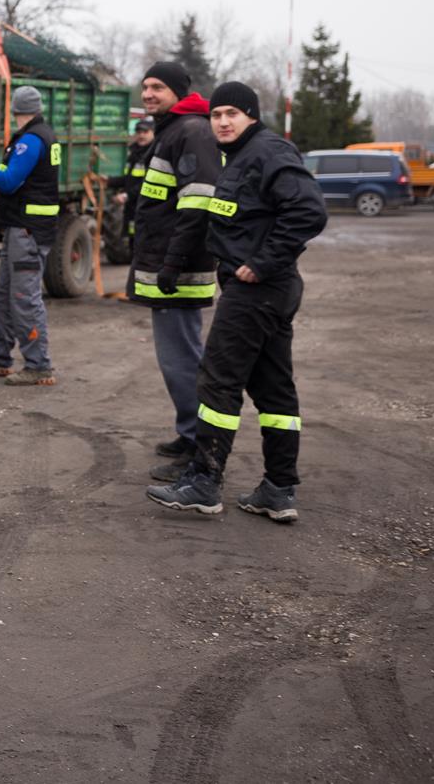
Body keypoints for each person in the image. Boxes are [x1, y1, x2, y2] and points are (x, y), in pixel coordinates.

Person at [146, 81, 328, 520]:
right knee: (272, 388)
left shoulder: (269, 152)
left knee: (218, 382)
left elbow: (309, 211)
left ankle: (204, 482)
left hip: (258, 290)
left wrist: (261, 263)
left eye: (232, 113)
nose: (223, 122)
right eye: (216, 114)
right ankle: (279, 489)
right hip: (265, 290)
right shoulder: (239, 156)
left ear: (252, 115)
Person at [126, 61, 220, 477]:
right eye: (146, 86)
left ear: (178, 92)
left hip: (177, 272)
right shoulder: (174, 129)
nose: (148, 93)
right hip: (166, 266)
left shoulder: (191, 131)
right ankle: (188, 431)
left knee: (181, 361)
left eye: (158, 87)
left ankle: (201, 449)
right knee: (175, 360)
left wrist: (173, 263)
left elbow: (198, 204)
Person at [0, 85, 60, 387]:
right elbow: (10, 173)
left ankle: (39, 365)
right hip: (22, 227)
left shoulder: (30, 140)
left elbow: (8, 181)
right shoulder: (39, 135)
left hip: (28, 231)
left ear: (14, 109)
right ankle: (0, 357)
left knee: (24, 298)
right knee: (3, 295)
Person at [108, 117, 156, 252]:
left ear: (153, 133)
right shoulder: (134, 153)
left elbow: (149, 183)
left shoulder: (154, 155)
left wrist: (127, 195)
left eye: (145, 132)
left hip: (146, 206)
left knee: (144, 243)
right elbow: (129, 179)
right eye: (139, 132)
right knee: (133, 239)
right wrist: (110, 181)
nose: (141, 135)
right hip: (132, 208)